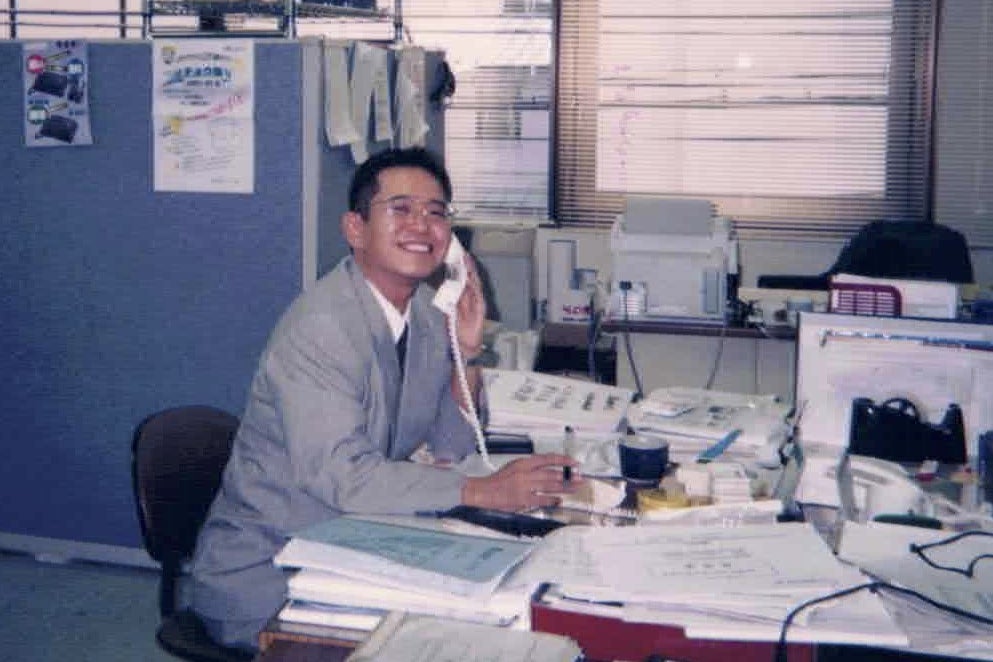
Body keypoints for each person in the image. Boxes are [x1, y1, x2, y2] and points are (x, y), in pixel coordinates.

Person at [190, 146, 578, 652]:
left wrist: (466, 350)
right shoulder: (321, 329)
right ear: (355, 228)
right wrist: (481, 492)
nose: (422, 225)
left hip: (354, 541)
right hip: (272, 569)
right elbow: (345, 478)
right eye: (400, 209)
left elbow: (451, 445)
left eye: (436, 212)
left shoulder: (426, 314)